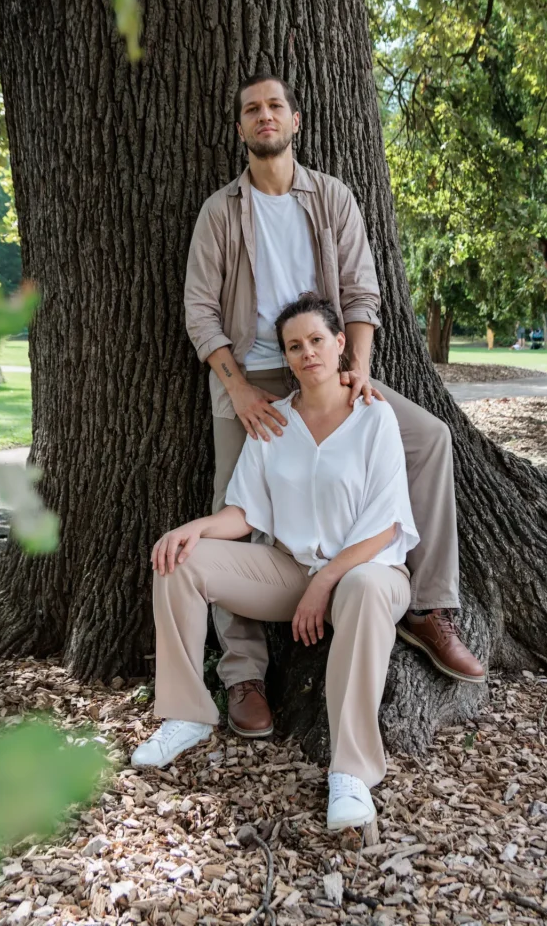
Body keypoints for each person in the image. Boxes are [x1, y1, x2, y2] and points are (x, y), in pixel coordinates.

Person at [184, 73, 484, 740]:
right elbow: (199, 311)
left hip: (326, 361)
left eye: (274, 107)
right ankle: (243, 674)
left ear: (295, 121)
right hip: (253, 373)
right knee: (233, 511)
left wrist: (359, 374)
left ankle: (428, 607)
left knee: (428, 438)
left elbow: (360, 293)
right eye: (251, 110)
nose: (264, 117)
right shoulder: (219, 212)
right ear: (240, 129)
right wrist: (234, 386)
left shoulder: (332, 198)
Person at [132, 295, 424, 831]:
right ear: (286, 358)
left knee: (359, 586)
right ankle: (186, 714)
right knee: (180, 560)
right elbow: (243, 512)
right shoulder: (275, 423)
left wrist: (326, 583)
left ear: (341, 345)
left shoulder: (374, 416)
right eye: (295, 345)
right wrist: (195, 528)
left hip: (371, 573)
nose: (307, 352)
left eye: (317, 340)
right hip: (291, 569)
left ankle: (352, 773)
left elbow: (386, 524)